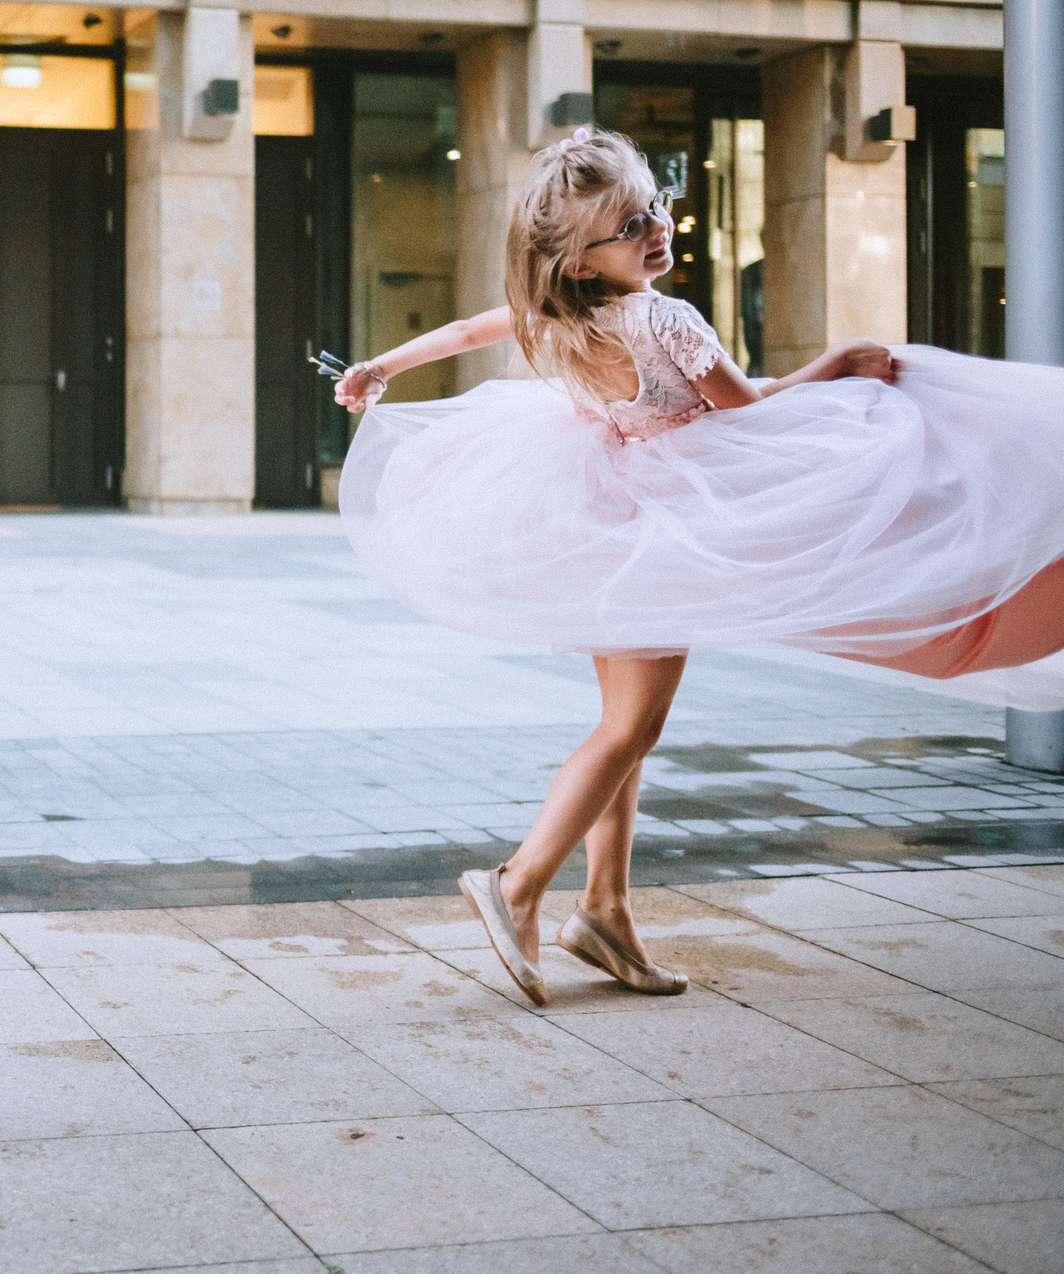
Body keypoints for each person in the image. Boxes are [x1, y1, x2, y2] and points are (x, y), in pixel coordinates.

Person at [331, 126, 1064, 1004]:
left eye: (654, 206)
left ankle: (605, 911)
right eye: (629, 226)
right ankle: (517, 882)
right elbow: (749, 415)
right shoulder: (663, 319)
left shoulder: (555, 316)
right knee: (629, 729)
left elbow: (462, 329)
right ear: (579, 260)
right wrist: (835, 366)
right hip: (660, 527)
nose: (656, 229)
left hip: (605, 519)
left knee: (624, 727)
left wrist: (380, 366)